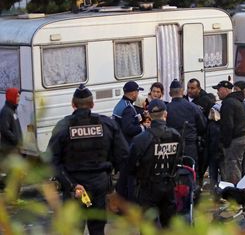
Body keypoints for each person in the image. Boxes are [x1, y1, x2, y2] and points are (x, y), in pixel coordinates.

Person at [48, 84, 128, 235]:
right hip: (99, 186)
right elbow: (123, 156)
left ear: (73, 105)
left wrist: (71, 184)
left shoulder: (63, 126)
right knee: (97, 229)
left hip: (74, 189)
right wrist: (113, 186)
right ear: (92, 104)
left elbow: (52, 161)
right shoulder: (107, 125)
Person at [126, 99, 181, 228]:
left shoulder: (141, 139)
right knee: (170, 226)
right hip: (169, 186)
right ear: (166, 114)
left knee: (148, 227)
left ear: (149, 116)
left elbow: (130, 166)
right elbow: (179, 160)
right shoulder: (176, 135)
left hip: (148, 188)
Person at [213, 80, 245, 185]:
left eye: (219, 90)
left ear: (226, 89)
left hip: (235, 139)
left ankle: (235, 192)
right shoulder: (238, 101)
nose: (217, 93)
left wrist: (225, 143)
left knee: (232, 167)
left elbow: (228, 125)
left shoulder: (228, 103)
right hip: (244, 136)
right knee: (239, 165)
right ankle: (240, 188)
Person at [166, 79, 207, 169]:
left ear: (170, 93)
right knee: (190, 173)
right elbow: (203, 126)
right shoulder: (193, 107)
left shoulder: (166, 109)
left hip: (172, 148)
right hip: (190, 147)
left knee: (174, 174)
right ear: (182, 91)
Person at [186, 78, 213, 186]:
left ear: (199, 89)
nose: (189, 90)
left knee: (201, 166)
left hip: (202, 139)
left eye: (192, 88)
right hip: (189, 138)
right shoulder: (184, 99)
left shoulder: (206, 101)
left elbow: (211, 119)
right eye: (188, 88)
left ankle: (199, 186)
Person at [0, 88, 23, 155]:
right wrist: (15, 139)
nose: (19, 99)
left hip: (14, 148)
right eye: (17, 96)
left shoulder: (12, 110)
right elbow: (4, 129)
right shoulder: (6, 112)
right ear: (12, 97)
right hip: (9, 149)